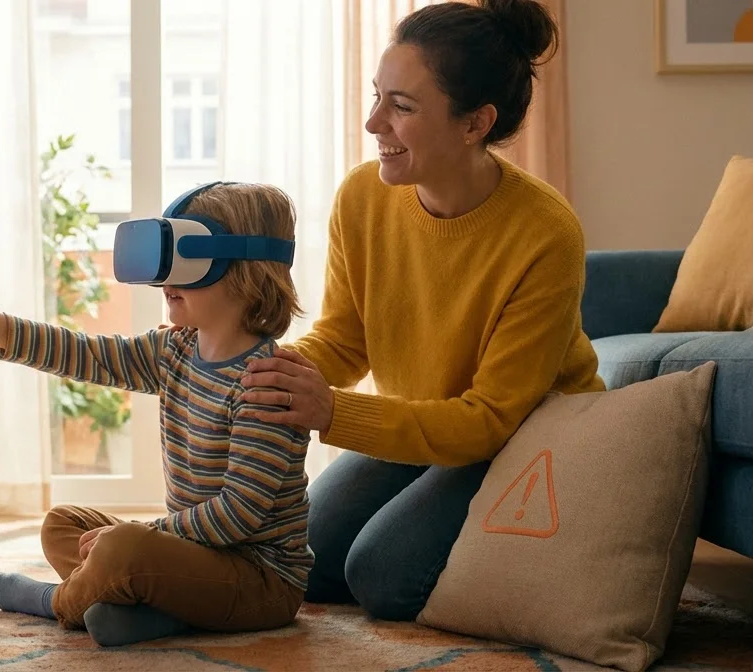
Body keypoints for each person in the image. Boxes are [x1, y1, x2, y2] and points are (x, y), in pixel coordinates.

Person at [237, 0, 604, 621]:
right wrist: (268, 367)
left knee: (383, 577)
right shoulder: (362, 197)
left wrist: (331, 412)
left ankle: (545, 569)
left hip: (520, 440)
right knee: (302, 559)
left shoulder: (546, 233)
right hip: (426, 425)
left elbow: (489, 419)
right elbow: (348, 340)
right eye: (378, 96)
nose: (373, 120)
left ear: (475, 124)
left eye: (401, 107)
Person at [0, 182, 313, 647]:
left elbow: (237, 515)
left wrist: (141, 533)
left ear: (244, 271)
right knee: (63, 524)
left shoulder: (268, 384)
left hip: (260, 582)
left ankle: (58, 601)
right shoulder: (175, 351)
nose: (164, 281)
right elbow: (84, 354)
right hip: (193, 555)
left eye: (182, 261)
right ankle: (151, 612)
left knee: (122, 546)